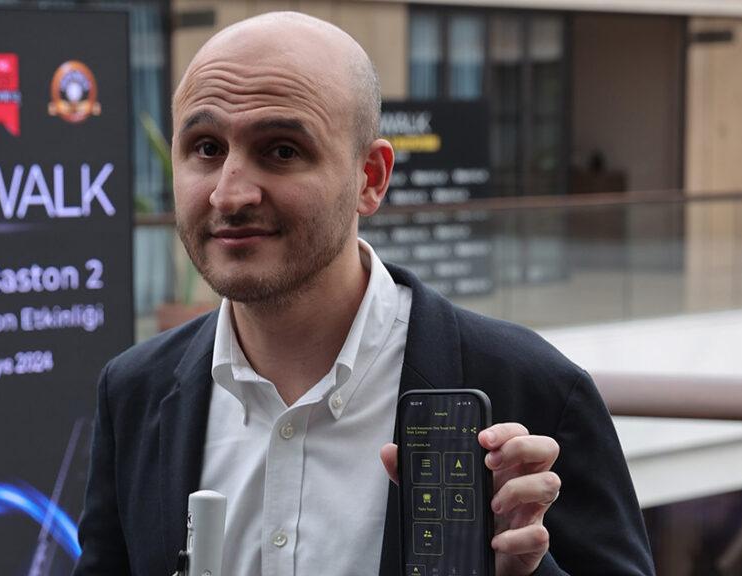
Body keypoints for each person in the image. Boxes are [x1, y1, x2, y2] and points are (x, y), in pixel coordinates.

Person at [75, 11, 653, 576]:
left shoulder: (535, 392)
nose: (229, 194)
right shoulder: (134, 393)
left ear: (370, 178)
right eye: (206, 148)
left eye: (282, 150)